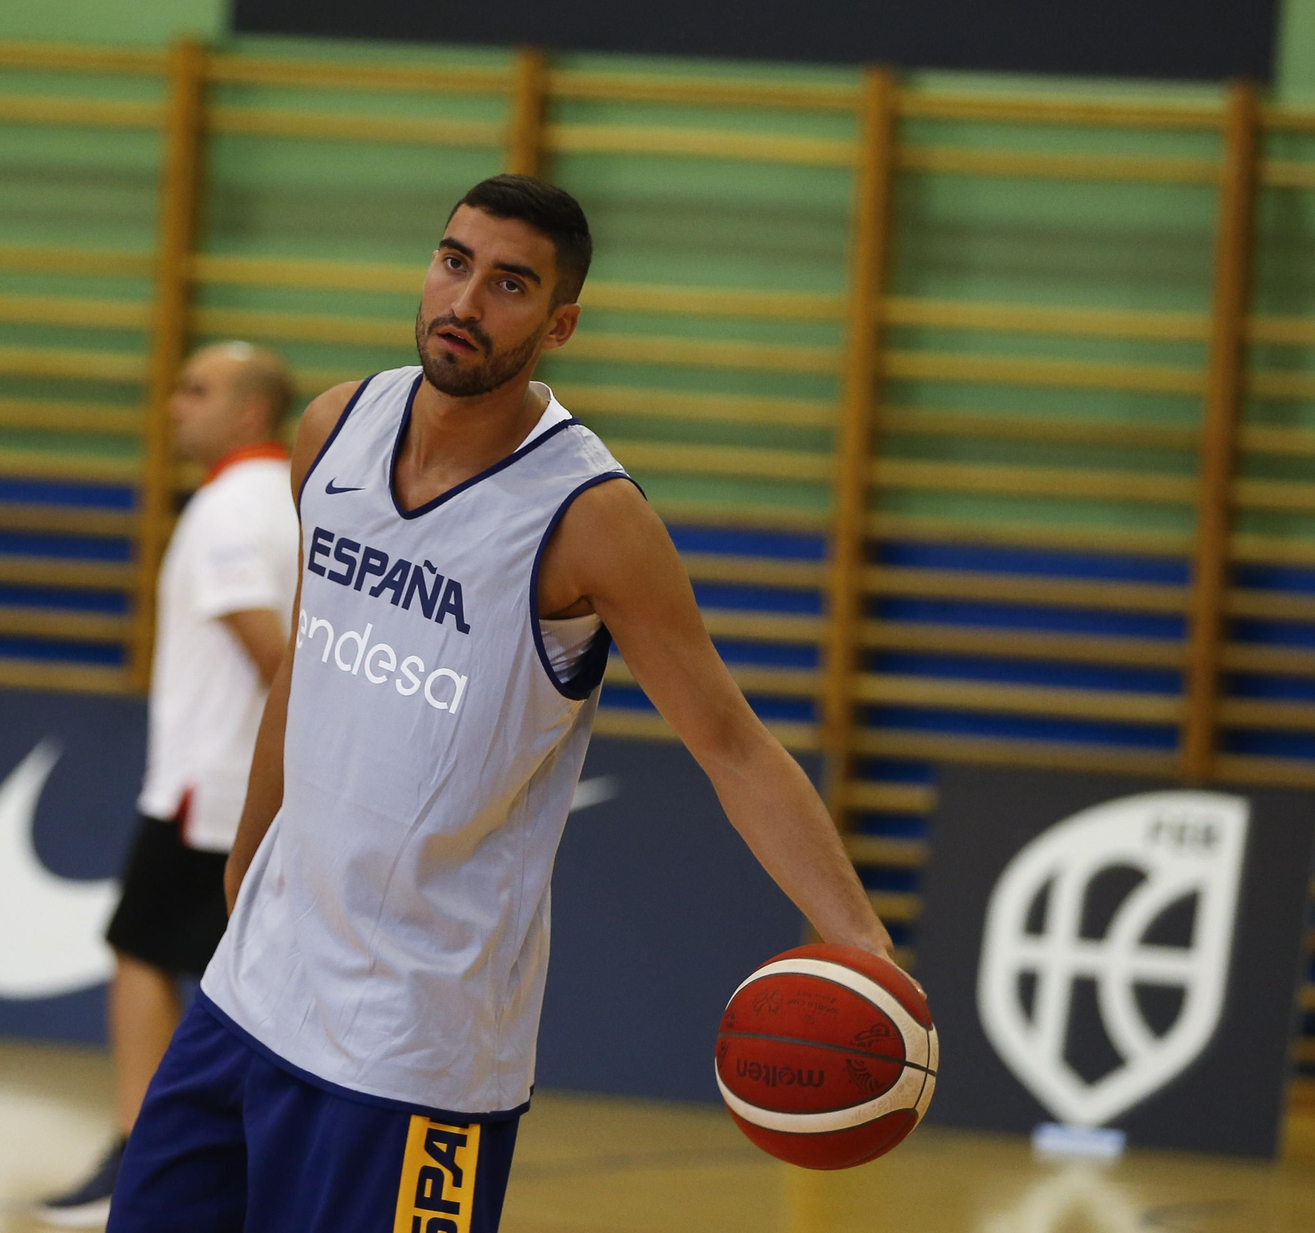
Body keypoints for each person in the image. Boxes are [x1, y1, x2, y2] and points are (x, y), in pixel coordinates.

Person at [107, 175, 893, 1233]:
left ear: (560, 323)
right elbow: (306, 663)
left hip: (414, 1050)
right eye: (454, 262)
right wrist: (247, 861)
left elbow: (731, 745)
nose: (466, 301)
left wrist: (860, 940)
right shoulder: (334, 429)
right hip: (248, 998)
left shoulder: (589, 517)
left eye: (511, 284)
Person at [40, 342, 300, 1228]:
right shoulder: (297, 499)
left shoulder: (229, 508)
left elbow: (273, 655)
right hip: (250, 788)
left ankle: (139, 1152)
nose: (174, 405)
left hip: (211, 789)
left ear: (250, 411)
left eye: (197, 390)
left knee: (140, 951)